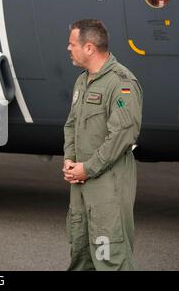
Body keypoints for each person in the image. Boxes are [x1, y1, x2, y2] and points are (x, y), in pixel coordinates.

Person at [63, 19, 143, 270]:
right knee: (81, 255)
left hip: (108, 188)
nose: (68, 48)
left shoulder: (121, 83)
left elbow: (121, 135)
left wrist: (88, 168)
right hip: (80, 185)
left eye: (72, 43)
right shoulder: (82, 81)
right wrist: (69, 160)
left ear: (89, 48)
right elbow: (71, 125)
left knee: (111, 258)